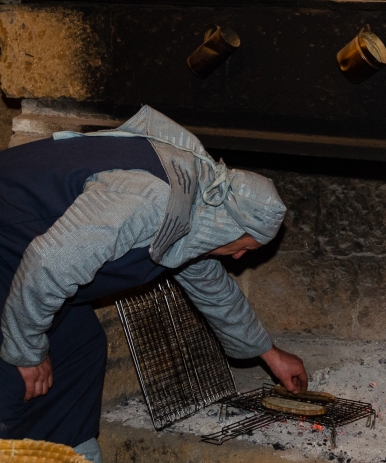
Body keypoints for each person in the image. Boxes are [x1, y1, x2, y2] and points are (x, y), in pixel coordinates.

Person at [0, 106, 308, 462]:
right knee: (13, 372)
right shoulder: (149, 200)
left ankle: (69, 451)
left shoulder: (200, 201)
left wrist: (269, 354)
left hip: (24, 260)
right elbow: (47, 263)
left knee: (82, 347)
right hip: (12, 251)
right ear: (229, 228)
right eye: (242, 248)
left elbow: (212, 287)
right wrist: (25, 352)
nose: (238, 258)